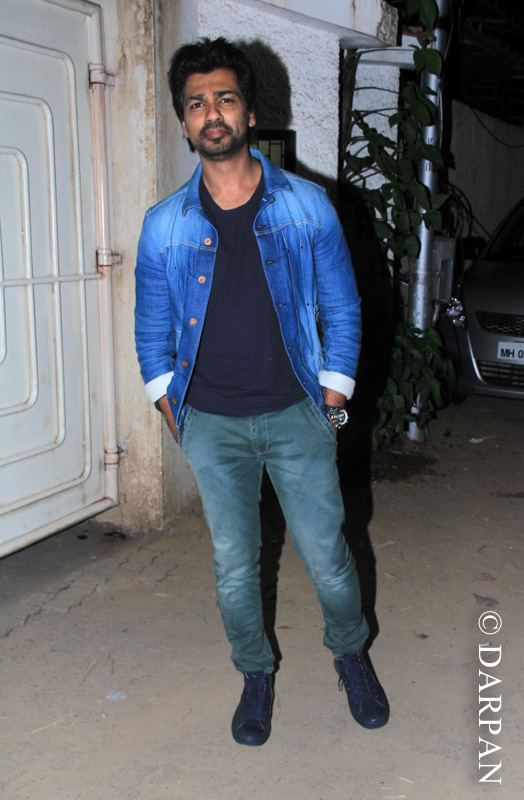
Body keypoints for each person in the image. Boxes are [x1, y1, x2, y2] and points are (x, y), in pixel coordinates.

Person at [135, 36, 389, 746]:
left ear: (249, 112)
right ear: (184, 123)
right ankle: (255, 673)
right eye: (196, 104)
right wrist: (173, 410)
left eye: (224, 98)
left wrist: (333, 400)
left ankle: (350, 654)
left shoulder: (308, 206)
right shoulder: (164, 225)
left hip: (299, 411)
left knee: (328, 557)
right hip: (211, 421)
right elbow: (151, 332)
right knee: (234, 567)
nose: (211, 113)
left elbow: (343, 308)